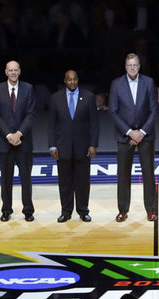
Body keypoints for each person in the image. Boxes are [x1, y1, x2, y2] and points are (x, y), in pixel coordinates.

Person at [109, 53, 158, 222]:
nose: (132, 68)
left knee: (148, 174)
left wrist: (141, 132)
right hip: (125, 136)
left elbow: (153, 110)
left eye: (135, 65)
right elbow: (113, 111)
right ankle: (123, 210)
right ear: (125, 66)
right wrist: (130, 132)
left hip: (146, 135)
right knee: (123, 174)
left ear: (139, 66)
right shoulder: (116, 84)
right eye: (129, 65)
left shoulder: (149, 82)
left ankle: (150, 210)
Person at [48, 70, 99, 223]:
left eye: (74, 79)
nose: (72, 82)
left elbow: (94, 123)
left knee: (83, 181)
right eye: (69, 80)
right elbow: (51, 124)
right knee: (65, 182)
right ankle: (66, 211)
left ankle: (83, 211)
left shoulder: (88, 97)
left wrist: (93, 144)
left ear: (78, 80)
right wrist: (52, 146)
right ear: (65, 80)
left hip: (83, 148)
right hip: (62, 147)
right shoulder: (55, 98)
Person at [0, 61, 36, 222]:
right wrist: (9, 135)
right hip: (5, 142)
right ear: (5, 72)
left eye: (15, 70)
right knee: (6, 178)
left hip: (23, 142)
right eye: (10, 70)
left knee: (26, 178)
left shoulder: (28, 88)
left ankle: (28, 210)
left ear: (20, 71)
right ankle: (6, 209)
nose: (13, 73)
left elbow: (31, 114)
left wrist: (18, 134)